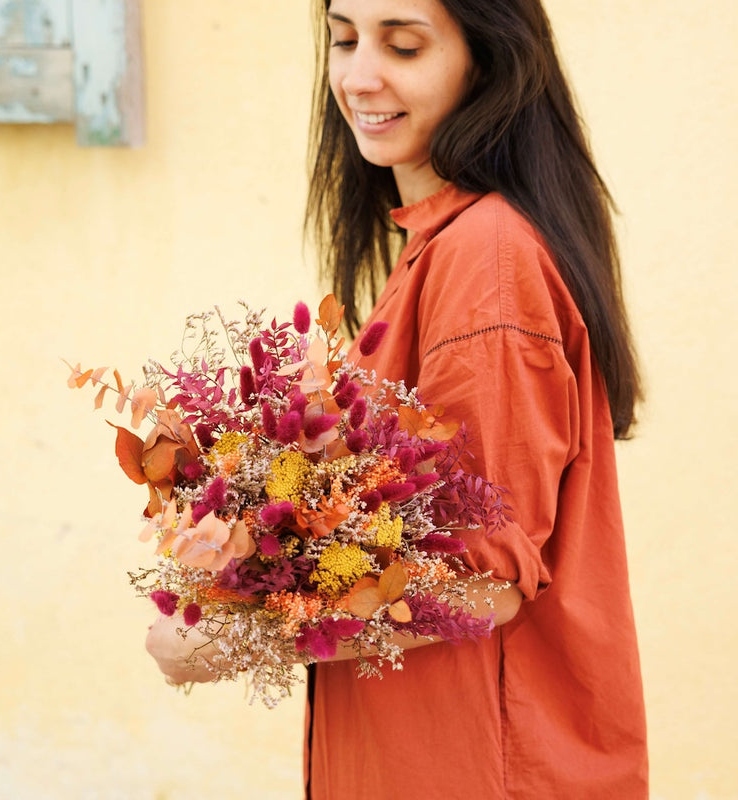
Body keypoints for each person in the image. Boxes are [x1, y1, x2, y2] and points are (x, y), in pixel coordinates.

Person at [148, 0, 649, 797]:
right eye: (344, 39)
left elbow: (484, 586)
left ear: (488, 61)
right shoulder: (439, 245)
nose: (359, 77)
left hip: (473, 764)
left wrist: (234, 639)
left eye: (404, 45)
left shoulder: (485, 260)